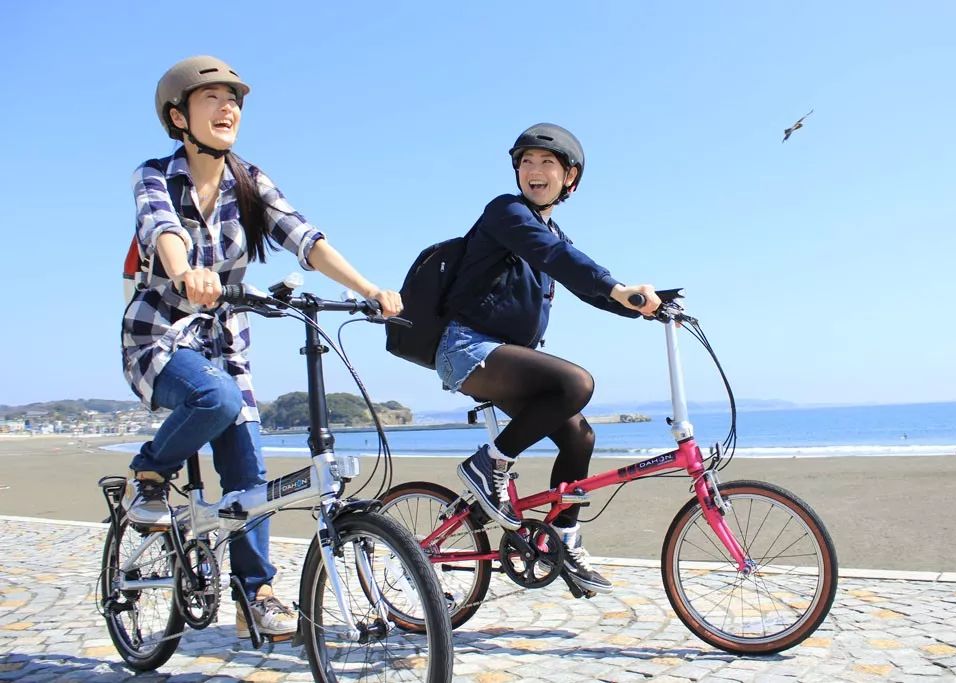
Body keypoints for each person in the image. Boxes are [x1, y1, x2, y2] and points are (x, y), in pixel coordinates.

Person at [121, 56, 402, 639]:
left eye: (235, 100)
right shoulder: (153, 174)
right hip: (160, 338)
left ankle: (258, 594)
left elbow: (304, 237)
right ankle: (149, 471)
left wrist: (369, 288)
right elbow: (162, 230)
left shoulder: (250, 180)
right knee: (217, 399)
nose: (229, 109)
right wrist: (186, 274)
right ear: (179, 116)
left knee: (249, 470)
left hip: (226, 346)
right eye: (212, 99)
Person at [437, 123, 660, 594]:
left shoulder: (549, 229)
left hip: (508, 359)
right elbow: (556, 257)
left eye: (547, 164)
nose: (534, 171)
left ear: (570, 178)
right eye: (526, 162)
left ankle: (563, 541)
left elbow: (579, 276)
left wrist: (641, 306)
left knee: (580, 437)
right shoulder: (507, 212)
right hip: (468, 349)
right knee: (575, 384)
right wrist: (616, 288)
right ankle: (488, 464)